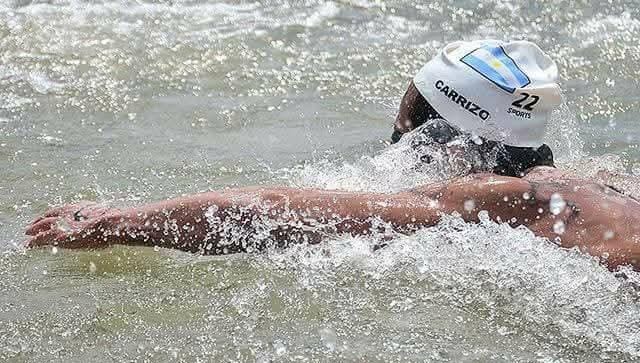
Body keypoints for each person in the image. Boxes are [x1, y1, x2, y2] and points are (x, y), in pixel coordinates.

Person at [24, 40, 640, 270]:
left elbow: (274, 210)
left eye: (409, 109)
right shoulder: (593, 184)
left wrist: (122, 220)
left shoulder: (485, 198)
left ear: (432, 127)